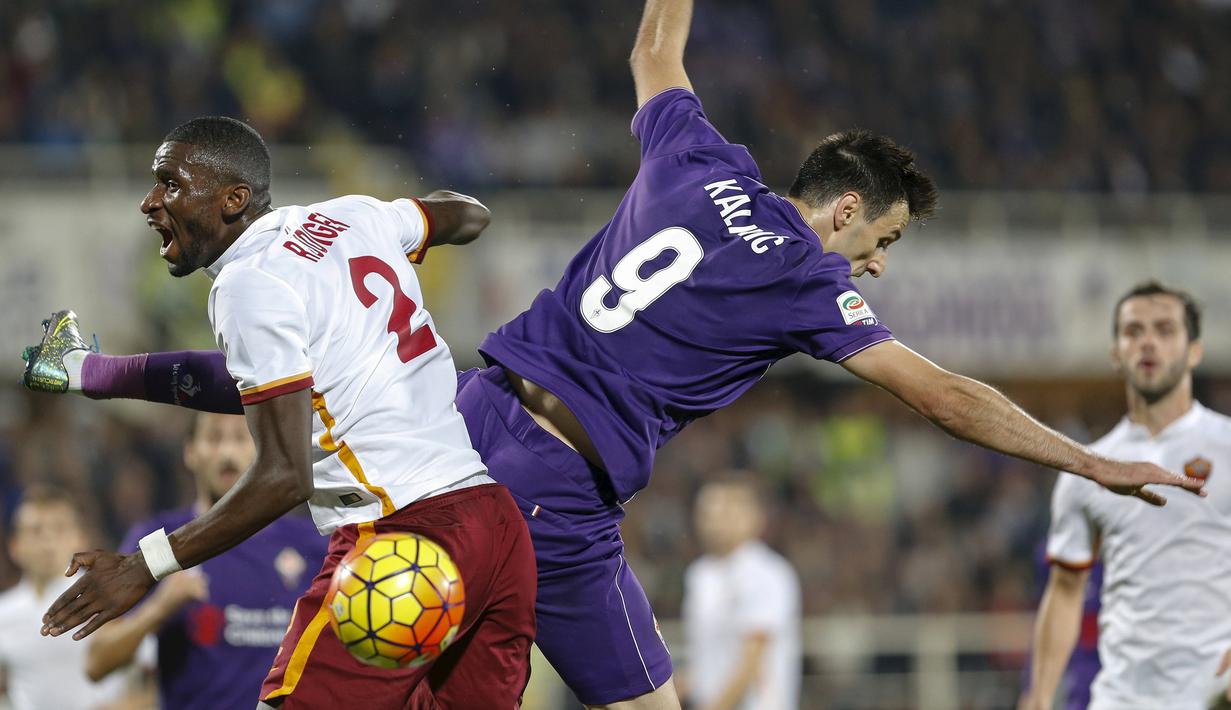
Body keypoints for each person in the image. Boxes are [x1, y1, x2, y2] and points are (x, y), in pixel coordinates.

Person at [21, 2, 1206, 708]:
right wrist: (1091, 463)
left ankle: (98, 376)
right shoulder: (805, 274)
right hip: (556, 497)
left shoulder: (696, 152)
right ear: (843, 214)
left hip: (463, 422)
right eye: (882, 243)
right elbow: (941, 394)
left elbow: (655, 39)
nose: (876, 270)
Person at [25, 116, 537, 709]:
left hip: (400, 538)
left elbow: (283, 476)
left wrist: (145, 565)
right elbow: (468, 215)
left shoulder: (248, 284)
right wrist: (95, 372)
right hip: (494, 529)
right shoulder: (354, 216)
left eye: (170, 184)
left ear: (232, 200)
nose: (150, 202)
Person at [1022, 282, 1231, 710]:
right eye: (1133, 331)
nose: (1148, 341)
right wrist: (1039, 696)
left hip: (1215, 694)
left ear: (1194, 351)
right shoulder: (1087, 467)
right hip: (1120, 698)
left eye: (1165, 329)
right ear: (1116, 353)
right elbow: (1065, 590)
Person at [84, 412, 327, 710]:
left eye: (240, 437)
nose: (226, 452)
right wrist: (158, 609)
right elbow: (96, 663)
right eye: (214, 438)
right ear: (191, 452)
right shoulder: (157, 541)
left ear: (263, 450)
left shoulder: (312, 544)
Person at [0, 485, 125, 709]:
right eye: (36, 531)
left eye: (59, 529)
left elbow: (151, 673)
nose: (47, 540)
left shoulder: (107, 596)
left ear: (81, 539)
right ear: (14, 546)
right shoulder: (4, 613)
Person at [683, 475, 800, 710]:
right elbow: (704, 659)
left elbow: (751, 662)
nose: (715, 523)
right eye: (707, 514)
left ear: (753, 518)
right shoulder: (699, 575)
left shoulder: (769, 573)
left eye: (726, 513)